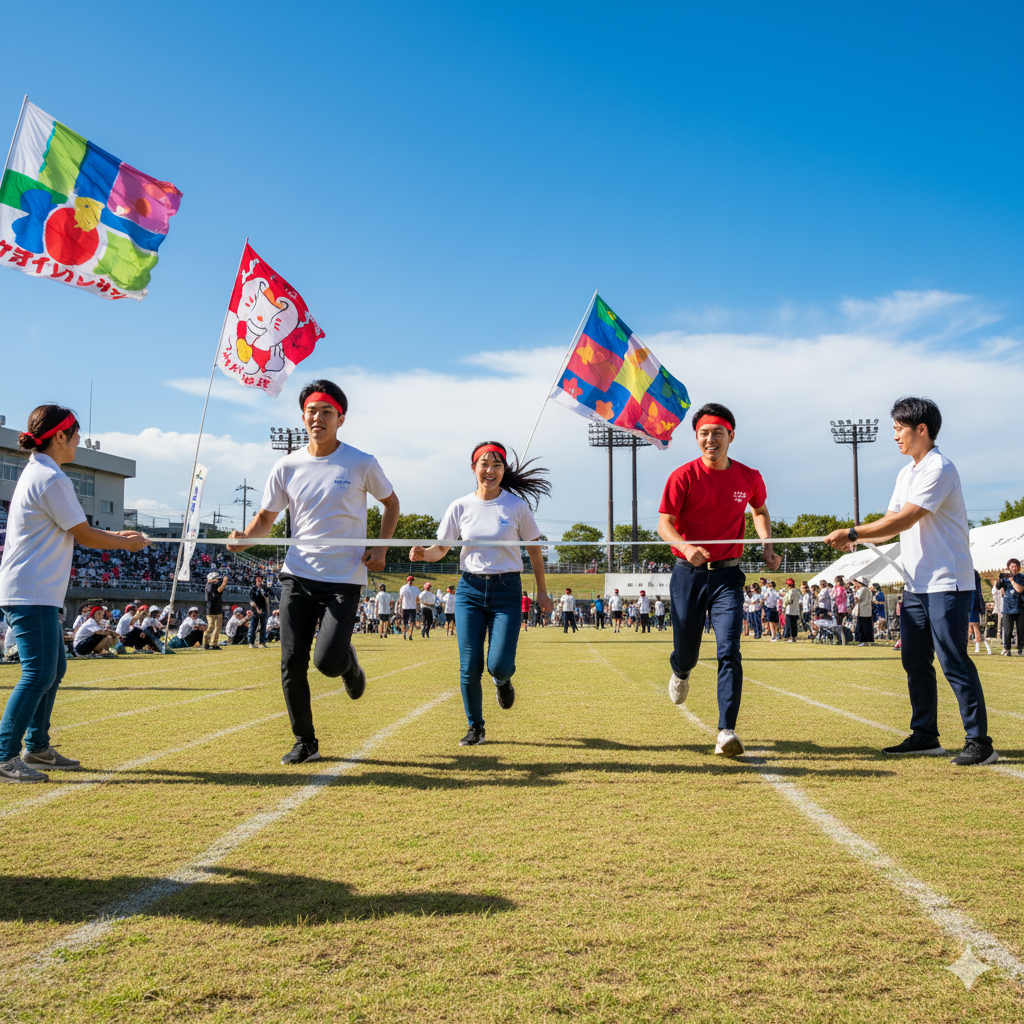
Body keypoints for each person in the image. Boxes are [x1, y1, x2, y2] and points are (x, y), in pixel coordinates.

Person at [228, 379, 400, 765]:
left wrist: (381, 547)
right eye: (311, 411)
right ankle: (305, 742)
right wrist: (244, 539)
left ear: (341, 418)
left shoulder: (361, 462)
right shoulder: (286, 466)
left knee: (327, 662)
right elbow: (265, 519)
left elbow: (392, 504)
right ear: (302, 416)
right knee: (292, 662)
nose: (318, 418)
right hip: (298, 575)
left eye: (326, 412)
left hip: (344, 577)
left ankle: (348, 664)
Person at [825, 397, 996, 766]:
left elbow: (905, 519)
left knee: (953, 660)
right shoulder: (906, 474)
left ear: (922, 429)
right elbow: (889, 529)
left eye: (899, 429)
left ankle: (980, 742)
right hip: (915, 584)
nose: (895, 436)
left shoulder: (940, 469)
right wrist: (856, 538)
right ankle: (925, 736)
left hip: (947, 582)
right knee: (914, 660)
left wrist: (852, 532)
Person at [0, 404, 149, 782]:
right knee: (38, 674)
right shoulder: (51, 478)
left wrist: (119, 536)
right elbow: (83, 534)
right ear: (59, 436)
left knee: (53, 670)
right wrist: (126, 543)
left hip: (35, 591)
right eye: (76, 434)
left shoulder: (42, 472)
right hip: (31, 592)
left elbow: (77, 529)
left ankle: (37, 747)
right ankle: (4, 756)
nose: (79, 441)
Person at [657, 403, 781, 757]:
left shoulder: (749, 477)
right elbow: (664, 524)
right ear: (696, 437)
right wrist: (685, 547)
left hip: (728, 576)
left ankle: (726, 731)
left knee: (729, 649)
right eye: (704, 433)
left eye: (718, 433)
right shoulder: (682, 476)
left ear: (731, 436)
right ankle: (681, 670)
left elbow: (759, 510)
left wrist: (767, 545)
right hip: (688, 574)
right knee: (687, 651)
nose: (710, 439)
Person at [410, 440, 552, 746]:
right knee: (469, 665)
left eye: (497, 465)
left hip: (507, 590)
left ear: (504, 470)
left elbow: (535, 552)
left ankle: (503, 680)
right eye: (484, 464)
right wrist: (424, 554)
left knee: (498, 664)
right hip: (470, 591)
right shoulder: (459, 506)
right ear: (473, 468)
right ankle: (475, 726)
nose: (490, 470)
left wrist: (542, 592)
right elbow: (441, 549)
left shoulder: (516, 506)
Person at [994, 558, 1023, 656]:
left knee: (1021, 630)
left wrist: (1011, 580)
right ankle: (1006, 648)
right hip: (1007, 607)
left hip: (1020, 607)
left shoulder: (1022, 577)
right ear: (1009, 568)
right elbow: (998, 587)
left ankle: (1021, 649)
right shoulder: (1005, 578)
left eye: (1016, 566)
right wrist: (1000, 579)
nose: (1014, 568)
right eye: (1012, 567)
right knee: (1007, 630)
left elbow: (1019, 589)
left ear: (1019, 567)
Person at [205, 570, 227, 650]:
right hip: (211, 610)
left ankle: (214, 644)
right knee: (211, 627)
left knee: (218, 627)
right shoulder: (209, 585)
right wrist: (224, 582)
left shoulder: (214, 585)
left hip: (218, 608)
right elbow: (218, 591)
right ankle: (206, 643)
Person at [248, 574, 269, 649]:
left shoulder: (265, 589)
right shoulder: (253, 589)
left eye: (260, 580)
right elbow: (251, 601)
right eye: (258, 580)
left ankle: (262, 642)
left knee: (263, 626)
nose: (259, 581)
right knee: (253, 626)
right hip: (255, 610)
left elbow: (268, 597)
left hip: (263, 609)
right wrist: (257, 608)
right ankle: (251, 642)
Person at [398, 575, 420, 641]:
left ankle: (406, 633)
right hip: (411, 607)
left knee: (406, 621)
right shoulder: (415, 589)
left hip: (406, 607)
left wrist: (400, 606)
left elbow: (401, 598)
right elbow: (417, 600)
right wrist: (418, 605)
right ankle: (409, 634)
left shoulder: (403, 588)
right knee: (411, 622)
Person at [853, 579, 873, 645]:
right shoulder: (869, 590)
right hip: (868, 610)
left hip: (861, 610)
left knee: (861, 627)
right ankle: (868, 640)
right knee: (867, 626)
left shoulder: (861, 590)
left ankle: (861, 640)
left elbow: (857, 599)